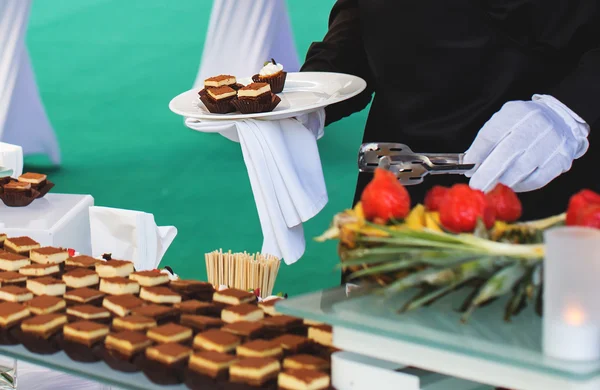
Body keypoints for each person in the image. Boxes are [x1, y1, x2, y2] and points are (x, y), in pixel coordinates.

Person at [301, 0, 600, 221]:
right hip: (396, 185)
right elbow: (363, 12)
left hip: (533, 170)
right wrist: (316, 93)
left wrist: (569, 110)